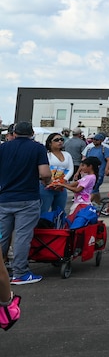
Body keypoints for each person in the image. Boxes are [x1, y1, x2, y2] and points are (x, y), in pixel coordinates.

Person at [0, 122, 51, 284]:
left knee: (2, 236)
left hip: (4, 197)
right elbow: (44, 173)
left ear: (14, 132)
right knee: (22, 236)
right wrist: (46, 181)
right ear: (32, 133)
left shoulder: (3, 148)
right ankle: (20, 272)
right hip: (27, 198)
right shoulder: (37, 148)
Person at [41, 132, 72, 217]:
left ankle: (57, 228)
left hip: (61, 186)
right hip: (46, 185)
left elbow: (70, 169)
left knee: (60, 211)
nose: (60, 142)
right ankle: (42, 228)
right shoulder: (46, 155)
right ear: (50, 142)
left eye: (61, 139)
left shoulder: (67, 154)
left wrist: (63, 181)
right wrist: (51, 182)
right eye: (56, 140)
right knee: (44, 210)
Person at [83, 133, 109, 207]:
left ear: (101, 141)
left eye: (96, 140)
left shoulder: (104, 149)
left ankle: (85, 206)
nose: (94, 141)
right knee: (95, 190)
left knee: (94, 189)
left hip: (99, 172)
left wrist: (107, 169)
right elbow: (85, 160)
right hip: (90, 173)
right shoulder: (90, 149)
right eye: (93, 139)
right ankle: (99, 205)